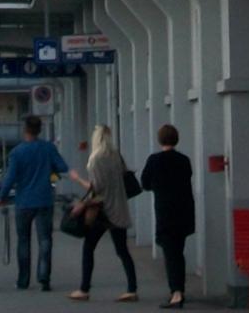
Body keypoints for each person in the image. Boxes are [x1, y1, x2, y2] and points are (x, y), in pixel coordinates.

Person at [0, 115, 86, 292]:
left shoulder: (17, 152)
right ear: (39, 130)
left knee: (23, 240)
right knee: (45, 239)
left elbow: (10, 177)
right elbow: (62, 167)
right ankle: (44, 277)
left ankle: (23, 280)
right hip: (44, 200)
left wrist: (2, 196)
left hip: (24, 202)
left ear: (25, 130)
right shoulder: (48, 148)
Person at [71, 124, 138, 302]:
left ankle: (84, 289)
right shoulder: (116, 156)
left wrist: (78, 180)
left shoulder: (95, 159)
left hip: (102, 211)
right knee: (122, 250)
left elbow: (96, 188)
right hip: (118, 208)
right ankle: (132, 289)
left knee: (89, 247)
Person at [140, 126, 194, 309]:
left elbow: (145, 183)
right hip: (184, 211)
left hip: (165, 212)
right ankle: (179, 289)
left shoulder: (154, 160)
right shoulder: (184, 160)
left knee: (171, 254)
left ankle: (176, 293)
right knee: (178, 251)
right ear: (176, 139)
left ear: (160, 139)